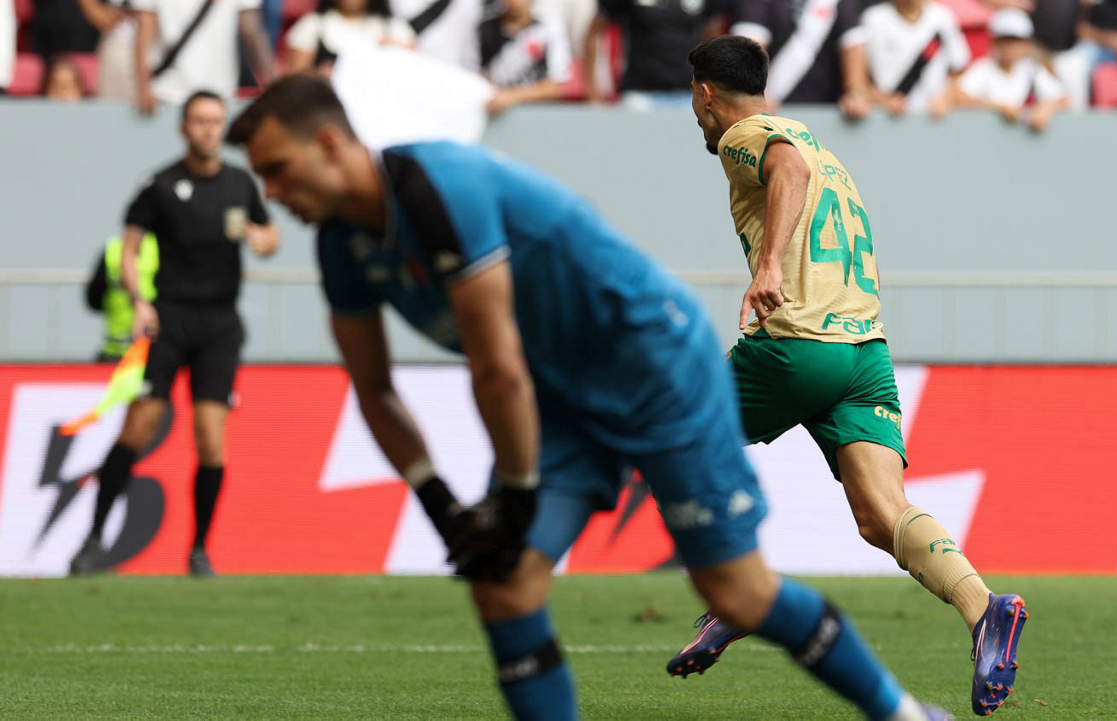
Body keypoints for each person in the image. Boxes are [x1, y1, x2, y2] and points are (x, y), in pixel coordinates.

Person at [227, 73, 951, 721]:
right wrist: (439, 503)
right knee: (504, 585)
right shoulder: (340, 245)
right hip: (562, 391)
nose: (271, 196)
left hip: (655, 365)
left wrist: (514, 497)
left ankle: (903, 714)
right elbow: (375, 389)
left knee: (737, 593)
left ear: (329, 143)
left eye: (276, 171)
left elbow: (497, 369)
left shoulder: (435, 189)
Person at [675, 36, 1029, 717]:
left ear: (704, 92)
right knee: (881, 513)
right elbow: (807, 181)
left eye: (694, 98)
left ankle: (738, 592)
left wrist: (769, 265)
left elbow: (784, 169)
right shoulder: (824, 151)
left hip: (798, 345)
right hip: (864, 350)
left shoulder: (747, 136)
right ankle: (984, 608)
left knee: (674, 429)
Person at [69, 91, 280, 577]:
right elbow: (128, 249)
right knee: (139, 428)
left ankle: (199, 550)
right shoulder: (161, 184)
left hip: (220, 325)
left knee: (210, 438)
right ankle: (93, 540)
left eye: (216, 121)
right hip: (169, 320)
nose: (209, 129)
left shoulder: (240, 183)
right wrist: (140, 300)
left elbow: (270, 235)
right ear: (184, 127)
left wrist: (260, 239)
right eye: (200, 121)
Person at [132, 0, 276, 115]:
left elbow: (251, 30)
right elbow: (251, 30)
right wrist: (143, 87)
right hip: (169, 92)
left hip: (214, 91)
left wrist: (274, 86)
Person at [730, 0, 872, 116]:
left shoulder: (838, 3)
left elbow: (852, 47)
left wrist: (856, 93)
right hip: (770, 115)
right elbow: (748, 51)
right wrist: (755, 93)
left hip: (825, 116)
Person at [584, 0, 727, 109]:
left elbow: (712, 36)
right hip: (640, 95)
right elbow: (594, 31)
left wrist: (709, 87)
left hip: (688, 95)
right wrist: (593, 93)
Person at [955, 9, 1068, 131]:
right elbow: (959, 98)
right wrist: (998, 108)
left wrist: (1046, 108)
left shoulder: (1032, 70)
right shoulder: (984, 68)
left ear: (1026, 44)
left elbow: (1063, 100)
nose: (1008, 47)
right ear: (994, 42)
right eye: (1003, 40)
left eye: (1014, 41)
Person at [858, 0, 971, 118]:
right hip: (885, 117)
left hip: (934, 118)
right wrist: (881, 100)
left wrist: (946, 98)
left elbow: (958, 70)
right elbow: (860, 76)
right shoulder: (873, 19)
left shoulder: (943, 17)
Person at [480, 0, 574, 114]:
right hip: (494, 112)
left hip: (539, 113)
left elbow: (556, 87)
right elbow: (476, 76)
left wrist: (512, 96)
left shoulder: (549, 28)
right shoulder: (483, 29)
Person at [284, 0, 416, 76]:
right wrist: (318, 79)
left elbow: (414, 71)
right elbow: (295, 82)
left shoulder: (393, 27)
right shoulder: (313, 25)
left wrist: (394, 50)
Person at [85, 234, 160, 363]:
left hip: (116, 353)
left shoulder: (113, 249)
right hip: (156, 353)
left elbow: (93, 300)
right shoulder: (164, 250)